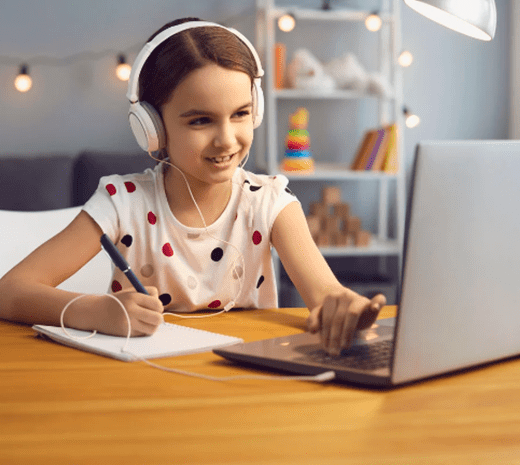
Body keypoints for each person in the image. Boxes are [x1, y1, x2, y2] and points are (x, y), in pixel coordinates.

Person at [0, 18, 385, 356]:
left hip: (246, 379)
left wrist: (344, 308)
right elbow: (10, 291)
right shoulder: (121, 203)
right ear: (151, 127)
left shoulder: (271, 203)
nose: (226, 139)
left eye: (240, 114)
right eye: (200, 120)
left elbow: (327, 294)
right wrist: (95, 311)